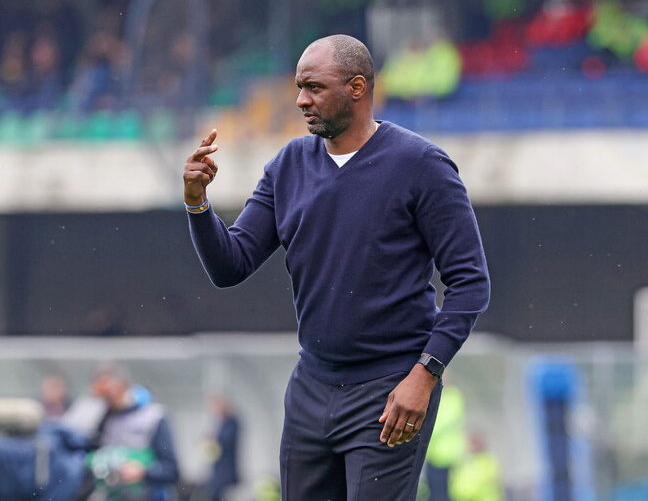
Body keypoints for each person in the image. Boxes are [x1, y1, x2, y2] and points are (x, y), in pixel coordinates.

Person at [183, 34, 490, 500]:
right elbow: (231, 266)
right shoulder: (288, 165)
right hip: (311, 385)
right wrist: (197, 204)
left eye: (314, 87)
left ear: (357, 87)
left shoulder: (421, 164)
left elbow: (470, 282)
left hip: (390, 390)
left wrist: (424, 374)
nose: (301, 100)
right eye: (299, 87)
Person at [85, 363, 179, 501]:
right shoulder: (103, 417)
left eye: (108, 393)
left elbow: (171, 470)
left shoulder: (154, 416)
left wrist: (143, 471)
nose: (104, 400)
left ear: (122, 387)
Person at [202, 395, 240, 501]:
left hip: (226, 471)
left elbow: (225, 442)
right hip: (219, 472)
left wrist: (212, 440)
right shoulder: (221, 423)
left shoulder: (232, 422)